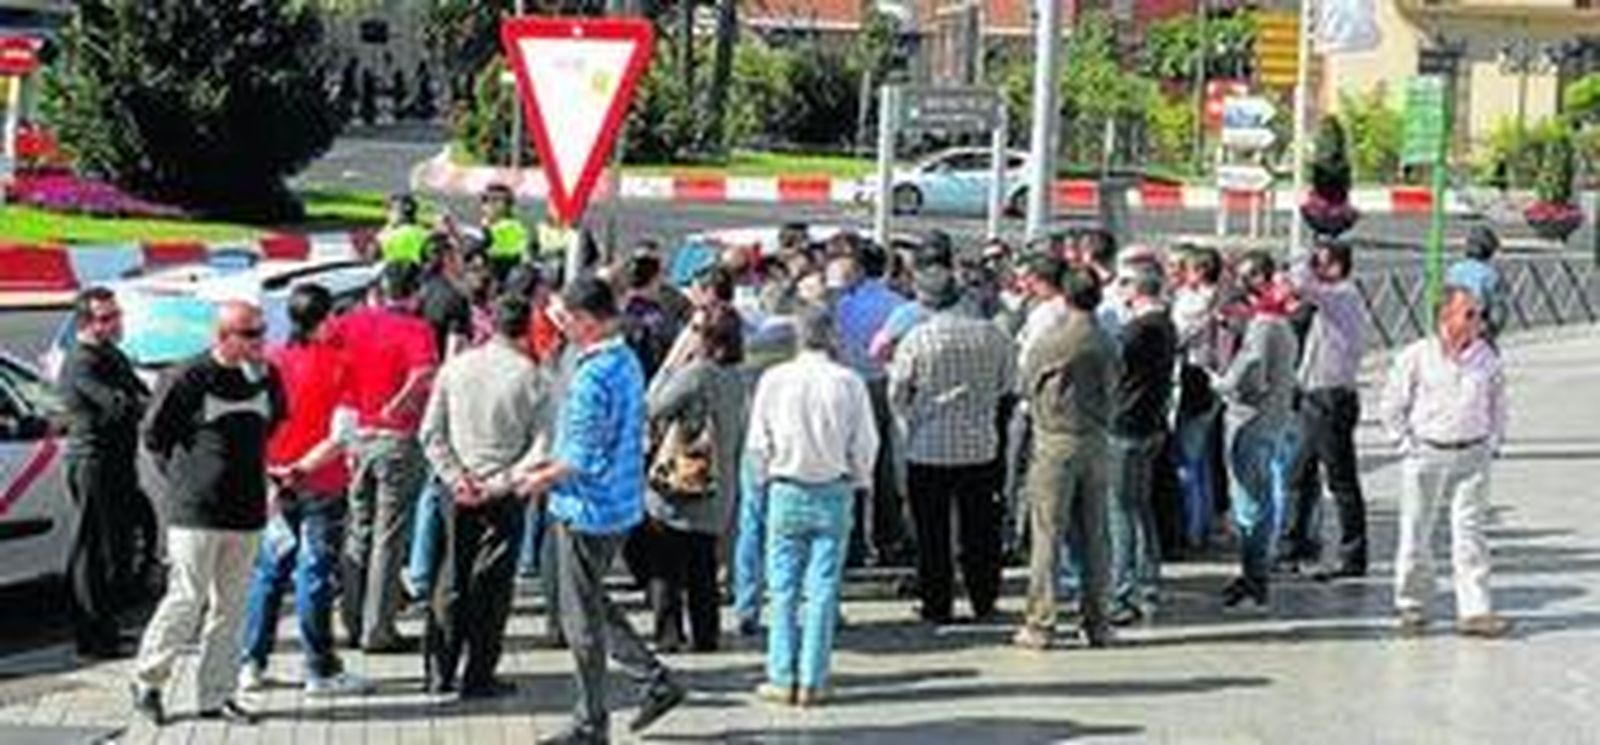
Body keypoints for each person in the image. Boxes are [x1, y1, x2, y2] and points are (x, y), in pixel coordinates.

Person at [518, 278, 686, 745]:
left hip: (585, 508)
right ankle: (654, 681)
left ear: (588, 321)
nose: (563, 328)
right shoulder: (625, 358)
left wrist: (535, 480)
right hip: (618, 502)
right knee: (591, 599)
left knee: (581, 620)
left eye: (568, 321)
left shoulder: (593, 375)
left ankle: (592, 720)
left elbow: (581, 459)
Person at [131, 301, 286, 727]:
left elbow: (273, 426)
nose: (261, 342)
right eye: (251, 334)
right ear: (224, 337)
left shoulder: (268, 376)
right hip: (196, 511)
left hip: (247, 509)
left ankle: (216, 694)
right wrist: (185, 480)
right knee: (186, 599)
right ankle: (149, 682)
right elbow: (154, 436)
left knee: (230, 608)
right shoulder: (187, 377)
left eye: (263, 331)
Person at [238, 285, 373, 697]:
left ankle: (252, 662)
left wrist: (275, 473)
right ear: (322, 320)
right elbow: (341, 436)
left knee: (269, 570)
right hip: (321, 482)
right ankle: (320, 669)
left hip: (274, 483)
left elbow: (250, 425)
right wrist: (303, 468)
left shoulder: (268, 362)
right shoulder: (341, 364)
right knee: (314, 573)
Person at [420, 293, 553, 697]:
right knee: (492, 587)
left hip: (457, 489)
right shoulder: (533, 378)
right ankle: (479, 674)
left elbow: (431, 432)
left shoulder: (454, 369)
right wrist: (502, 482)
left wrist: (455, 476)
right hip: (504, 492)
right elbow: (542, 445)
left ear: (490, 325)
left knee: (449, 578)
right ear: (526, 328)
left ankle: (438, 671)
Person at [746, 306, 878, 707]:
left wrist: (762, 479)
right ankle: (813, 679)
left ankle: (781, 674)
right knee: (823, 589)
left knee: (782, 588)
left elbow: (757, 443)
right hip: (834, 490)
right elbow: (866, 443)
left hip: (786, 487)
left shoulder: (774, 379)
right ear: (833, 335)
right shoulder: (849, 382)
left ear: (797, 337)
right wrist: (859, 479)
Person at [1381, 287, 1510, 638]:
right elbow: (1392, 404)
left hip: (1473, 454)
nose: (1477, 322)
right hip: (1427, 453)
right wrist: (1405, 445)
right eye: (1468, 314)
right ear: (1445, 317)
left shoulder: (1486, 357)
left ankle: (1475, 610)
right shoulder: (1418, 356)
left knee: (1470, 533)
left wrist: (1494, 441)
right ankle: (1412, 604)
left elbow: (1498, 402)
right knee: (1416, 531)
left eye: (1478, 315)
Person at [890, 269, 1017, 624]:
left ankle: (937, 602)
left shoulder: (918, 339)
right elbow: (1009, 384)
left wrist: (915, 415)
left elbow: (898, 393)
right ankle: (983, 597)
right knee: (980, 529)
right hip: (979, 445)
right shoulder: (993, 335)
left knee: (932, 532)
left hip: (928, 447)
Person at [328, 262, 439, 652]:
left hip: (357, 435)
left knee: (359, 528)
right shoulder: (417, 329)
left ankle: (352, 621)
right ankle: (379, 629)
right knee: (389, 536)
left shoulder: (353, 322)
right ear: (415, 293)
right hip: (396, 439)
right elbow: (424, 373)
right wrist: (399, 403)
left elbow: (328, 355)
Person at [1012, 269, 1119, 650]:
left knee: (1048, 534)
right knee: (1096, 534)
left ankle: (1041, 622)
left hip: (1055, 440)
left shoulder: (1052, 341)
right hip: (1097, 439)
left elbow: (1025, 383)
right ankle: (1097, 621)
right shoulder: (1107, 340)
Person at [56, 287, 156, 660]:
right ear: (86, 323)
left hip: (118, 462)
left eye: (117, 315)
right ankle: (92, 638)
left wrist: (145, 402)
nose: (116, 323)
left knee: (115, 548)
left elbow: (141, 394)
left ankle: (109, 630)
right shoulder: (81, 361)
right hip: (92, 463)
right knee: (91, 549)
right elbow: (118, 405)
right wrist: (140, 404)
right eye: (106, 318)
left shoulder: (111, 353)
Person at [643, 305, 746, 653]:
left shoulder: (697, 373)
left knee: (667, 561)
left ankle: (668, 633)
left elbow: (654, 405)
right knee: (703, 563)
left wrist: (671, 364)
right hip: (721, 484)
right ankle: (707, 634)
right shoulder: (737, 375)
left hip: (682, 482)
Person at [1212, 252, 1299, 608]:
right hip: (1271, 419)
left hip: (1252, 422)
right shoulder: (1281, 325)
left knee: (1250, 504)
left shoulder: (1264, 327)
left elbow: (1250, 379)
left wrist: (1220, 383)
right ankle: (1252, 574)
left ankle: (1254, 576)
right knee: (1257, 500)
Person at [1280, 240, 1369, 580]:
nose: (1316, 268)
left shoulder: (1343, 296)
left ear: (1335, 266)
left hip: (1331, 399)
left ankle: (1353, 555)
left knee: (1341, 481)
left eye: (1322, 263)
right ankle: (1291, 546)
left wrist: (1305, 253)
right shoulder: (1332, 302)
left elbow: (1301, 282)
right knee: (1297, 473)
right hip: (1314, 396)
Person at [832, 239, 912, 568]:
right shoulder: (899, 305)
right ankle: (887, 537)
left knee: (850, 463)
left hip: (850, 385)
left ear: (861, 269)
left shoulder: (845, 305)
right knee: (883, 465)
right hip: (884, 383)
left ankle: (852, 543)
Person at [1106, 264, 1177, 624]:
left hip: (1126, 428)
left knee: (1120, 510)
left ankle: (1122, 592)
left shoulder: (1135, 332)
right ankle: (1148, 581)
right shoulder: (1165, 325)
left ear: (1137, 290)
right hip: (1150, 425)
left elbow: (1113, 374)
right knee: (1140, 507)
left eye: (1123, 284)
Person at [1171, 247, 1227, 549]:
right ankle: (1204, 521)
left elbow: (1177, 336)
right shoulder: (1220, 299)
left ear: (1200, 272)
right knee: (1203, 459)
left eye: (1187, 268)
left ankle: (1192, 528)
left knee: (1187, 461)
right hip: (1212, 382)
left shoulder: (1196, 302)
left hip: (1195, 382)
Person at [1445, 226, 1508, 343]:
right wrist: (1492, 331)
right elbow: (1499, 309)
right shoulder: (1491, 275)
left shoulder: (1453, 270)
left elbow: (1444, 298)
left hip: (1451, 328)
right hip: (1477, 330)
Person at [481, 183, 530, 281]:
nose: (490, 204)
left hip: (507, 273)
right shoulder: (486, 224)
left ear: (508, 205)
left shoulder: (513, 226)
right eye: (486, 200)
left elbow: (512, 252)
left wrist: (487, 233)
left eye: (495, 200)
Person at [378, 193, 429, 266]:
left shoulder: (392, 233)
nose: (387, 214)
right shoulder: (421, 231)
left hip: (399, 272)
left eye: (390, 209)